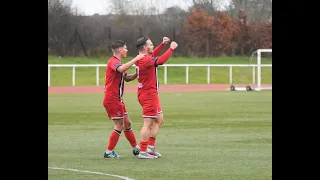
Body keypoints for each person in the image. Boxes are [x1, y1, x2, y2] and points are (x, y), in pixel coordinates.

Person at [135, 36, 178, 159]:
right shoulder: (145, 60)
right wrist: (171, 49)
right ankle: (143, 152)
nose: (153, 47)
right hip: (148, 95)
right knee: (148, 123)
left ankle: (150, 147)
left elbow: (153, 54)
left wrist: (162, 44)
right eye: (151, 44)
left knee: (159, 120)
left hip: (149, 93)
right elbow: (160, 61)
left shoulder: (143, 57)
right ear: (145, 47)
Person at [103, 40, 144, 158]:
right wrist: (136, 59)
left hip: (118, 99)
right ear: (120, 50)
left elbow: (126, 78)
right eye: (125, 48)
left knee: (127, 123)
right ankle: (109, 152)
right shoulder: (113, 62)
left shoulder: (119, 63)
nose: (127, 50)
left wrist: (136, 75)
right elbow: (120, 70)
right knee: (119, 125)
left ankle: (136, 148)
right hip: (112, 99)